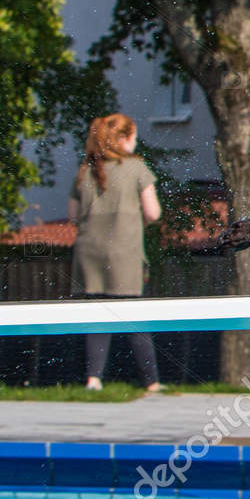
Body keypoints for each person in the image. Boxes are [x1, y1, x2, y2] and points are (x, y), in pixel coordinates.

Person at [68, 114, 165, 392]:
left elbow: (72, 217)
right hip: (124, 253)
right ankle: (151, 382)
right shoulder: (136, 167)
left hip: (89, 255)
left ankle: (92, 379)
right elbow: (153, 212)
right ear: (123, 140)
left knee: (95, 318)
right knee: (133, 317)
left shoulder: (85, 169)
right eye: (134, 138)